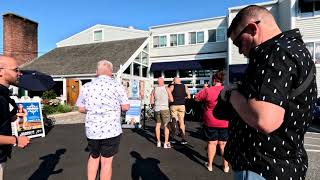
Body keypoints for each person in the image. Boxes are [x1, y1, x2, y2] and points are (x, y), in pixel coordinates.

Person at [221, 5, 317, 180]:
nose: (241, 51)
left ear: (252, 29)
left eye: (239, 43)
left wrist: (231, 94)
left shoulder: (275, 51)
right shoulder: (294, 49)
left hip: (261, 167)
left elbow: (265, 119)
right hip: (281, 165)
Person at [76, 60, 130, 180]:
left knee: (93, 157)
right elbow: (126, 107)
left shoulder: (86, 86)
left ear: (96, 72)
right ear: (111, 72)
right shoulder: (117, 86)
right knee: (106, 162)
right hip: (111, 130)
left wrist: (92, 110)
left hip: (92, 130)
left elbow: (80, 108)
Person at [0, 55, 30, 180]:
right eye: (15, 70)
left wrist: (12, 115)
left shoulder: (4, 94)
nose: (20, 73)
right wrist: (16, 140)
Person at [195, 70, 229, 172]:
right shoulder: (227, 91)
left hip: (211, 121)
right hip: (225, 121)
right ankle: (226, 167)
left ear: (214, 80)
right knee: (223, 144)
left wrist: (204, 88)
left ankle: (209, 165)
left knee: (211, 143)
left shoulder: (208, 90)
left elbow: (196, 98)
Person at [150, 77, 173, 149]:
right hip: (165, 108)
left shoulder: (154, 89)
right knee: (166, 125)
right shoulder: (166, 88)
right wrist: (167, 101)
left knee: (158, 125)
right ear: (163, 82)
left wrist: (154, 105)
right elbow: (172, 99)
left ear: (157, 82)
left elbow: (151, 101)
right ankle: (166, 143)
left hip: (157, 108)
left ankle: (158, 142)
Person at [168, 77, 191, 144]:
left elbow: (167, 92)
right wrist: (183, 98)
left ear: (174, 81)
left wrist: (171, 84)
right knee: (181, 122)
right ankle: (183, 138)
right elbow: (189, 96)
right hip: (182, 105)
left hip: (174, 105)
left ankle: (172, 137)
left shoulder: (172, 86)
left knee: (174, 121)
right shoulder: (184, 86)